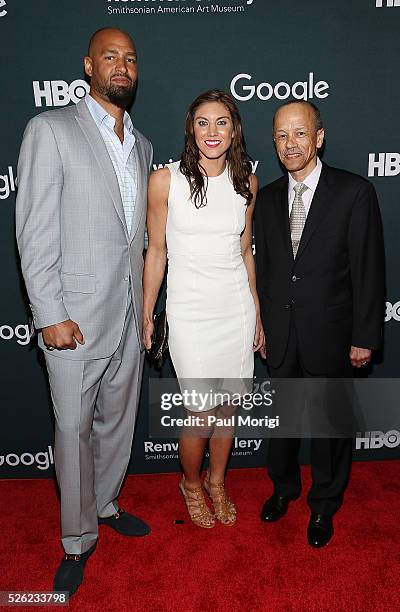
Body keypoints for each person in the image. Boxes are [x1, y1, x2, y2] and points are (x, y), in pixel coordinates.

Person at [15, 27, 153, 595]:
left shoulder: (141, 145)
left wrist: (144, 310)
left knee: (117, 421)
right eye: (110, 57)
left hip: (125, 314)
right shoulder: (50, 130)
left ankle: (106, 502)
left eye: (130, 59)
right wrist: (48, 312)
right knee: (72, 429)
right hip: (71, 316)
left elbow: (136, 239)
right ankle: (77, 540)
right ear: (88, 67)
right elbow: (34, 229)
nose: (122, 67)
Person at [255, 100, 384, 547]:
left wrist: (364, 336)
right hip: (282, 335)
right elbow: (269, 270)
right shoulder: (268, 198)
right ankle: (283, 489)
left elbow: (369, 269)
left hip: (332, 336)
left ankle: (324, 504)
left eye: (299, 134)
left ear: (319, 137)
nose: (290, 144)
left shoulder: (354, 192)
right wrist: (264, 327)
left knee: (330, 430)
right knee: (284, 424)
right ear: (273, 142)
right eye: (281, 136)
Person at [143, 89, 264, 528]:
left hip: (235, 307)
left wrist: (257, 312)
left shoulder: (246, 182)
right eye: (203, 123)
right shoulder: (164, 181)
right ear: (190, 129)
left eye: (222, 122)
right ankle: (190, 484)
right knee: (201, 409)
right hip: (190, 311)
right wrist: (146, 312)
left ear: (234, 129)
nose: (212, 132)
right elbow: (156, 252)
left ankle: (217, 482)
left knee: (229, 406)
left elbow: (246, 251)